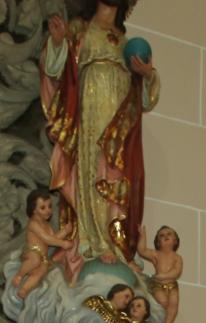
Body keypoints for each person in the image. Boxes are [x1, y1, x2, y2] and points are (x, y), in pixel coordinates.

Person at [42, 0, 159, 276]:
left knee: (116, 175)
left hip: (121, 119)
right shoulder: (80, 29)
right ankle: (91, 239)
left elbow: (144, 99)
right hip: (90, 110)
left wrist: (147, 75)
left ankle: (114, 242)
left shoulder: (125, 42)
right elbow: (57, 72)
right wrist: (58, 44)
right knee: (91, 168)